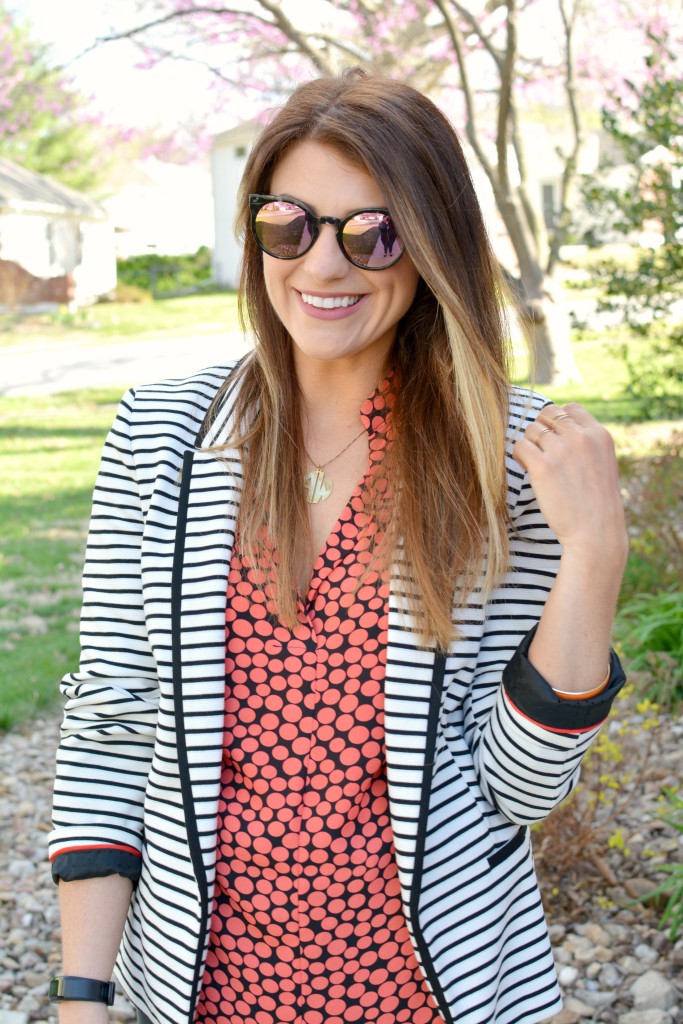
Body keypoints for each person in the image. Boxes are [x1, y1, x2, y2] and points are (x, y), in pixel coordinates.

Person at [49, 69, 628, 1024]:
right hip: (199, 993)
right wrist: (81, 996)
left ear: (434, 245)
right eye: (290, 224)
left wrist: (593, 556)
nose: (322, 266)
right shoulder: (160, 434)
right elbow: (112, 722)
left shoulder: (512, 456)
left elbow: (519, 787)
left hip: (431, 994)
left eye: (375, 231)